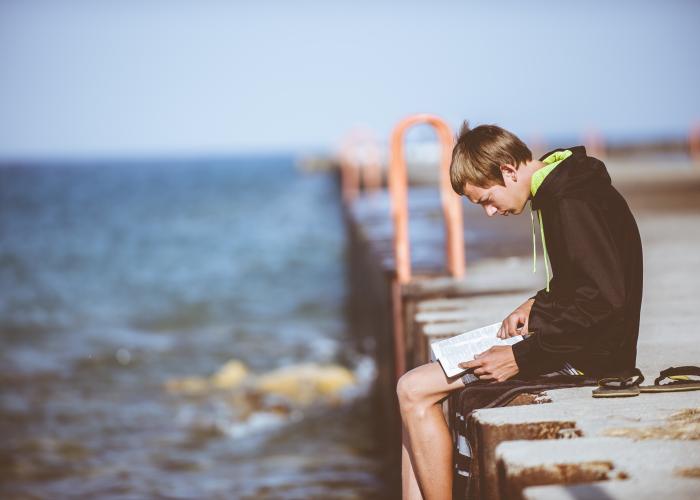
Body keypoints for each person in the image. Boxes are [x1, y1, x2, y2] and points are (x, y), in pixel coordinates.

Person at [396, 122, 643, 499]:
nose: (491, 213)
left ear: (508, 170)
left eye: (487, 200)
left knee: (413, 390)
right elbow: (585, 281)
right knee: (412, 393)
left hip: (591, 358)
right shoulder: (564, 190)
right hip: (575, 344)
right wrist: (537, 305)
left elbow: (606, 300)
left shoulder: (571, 202)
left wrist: (519, 357)